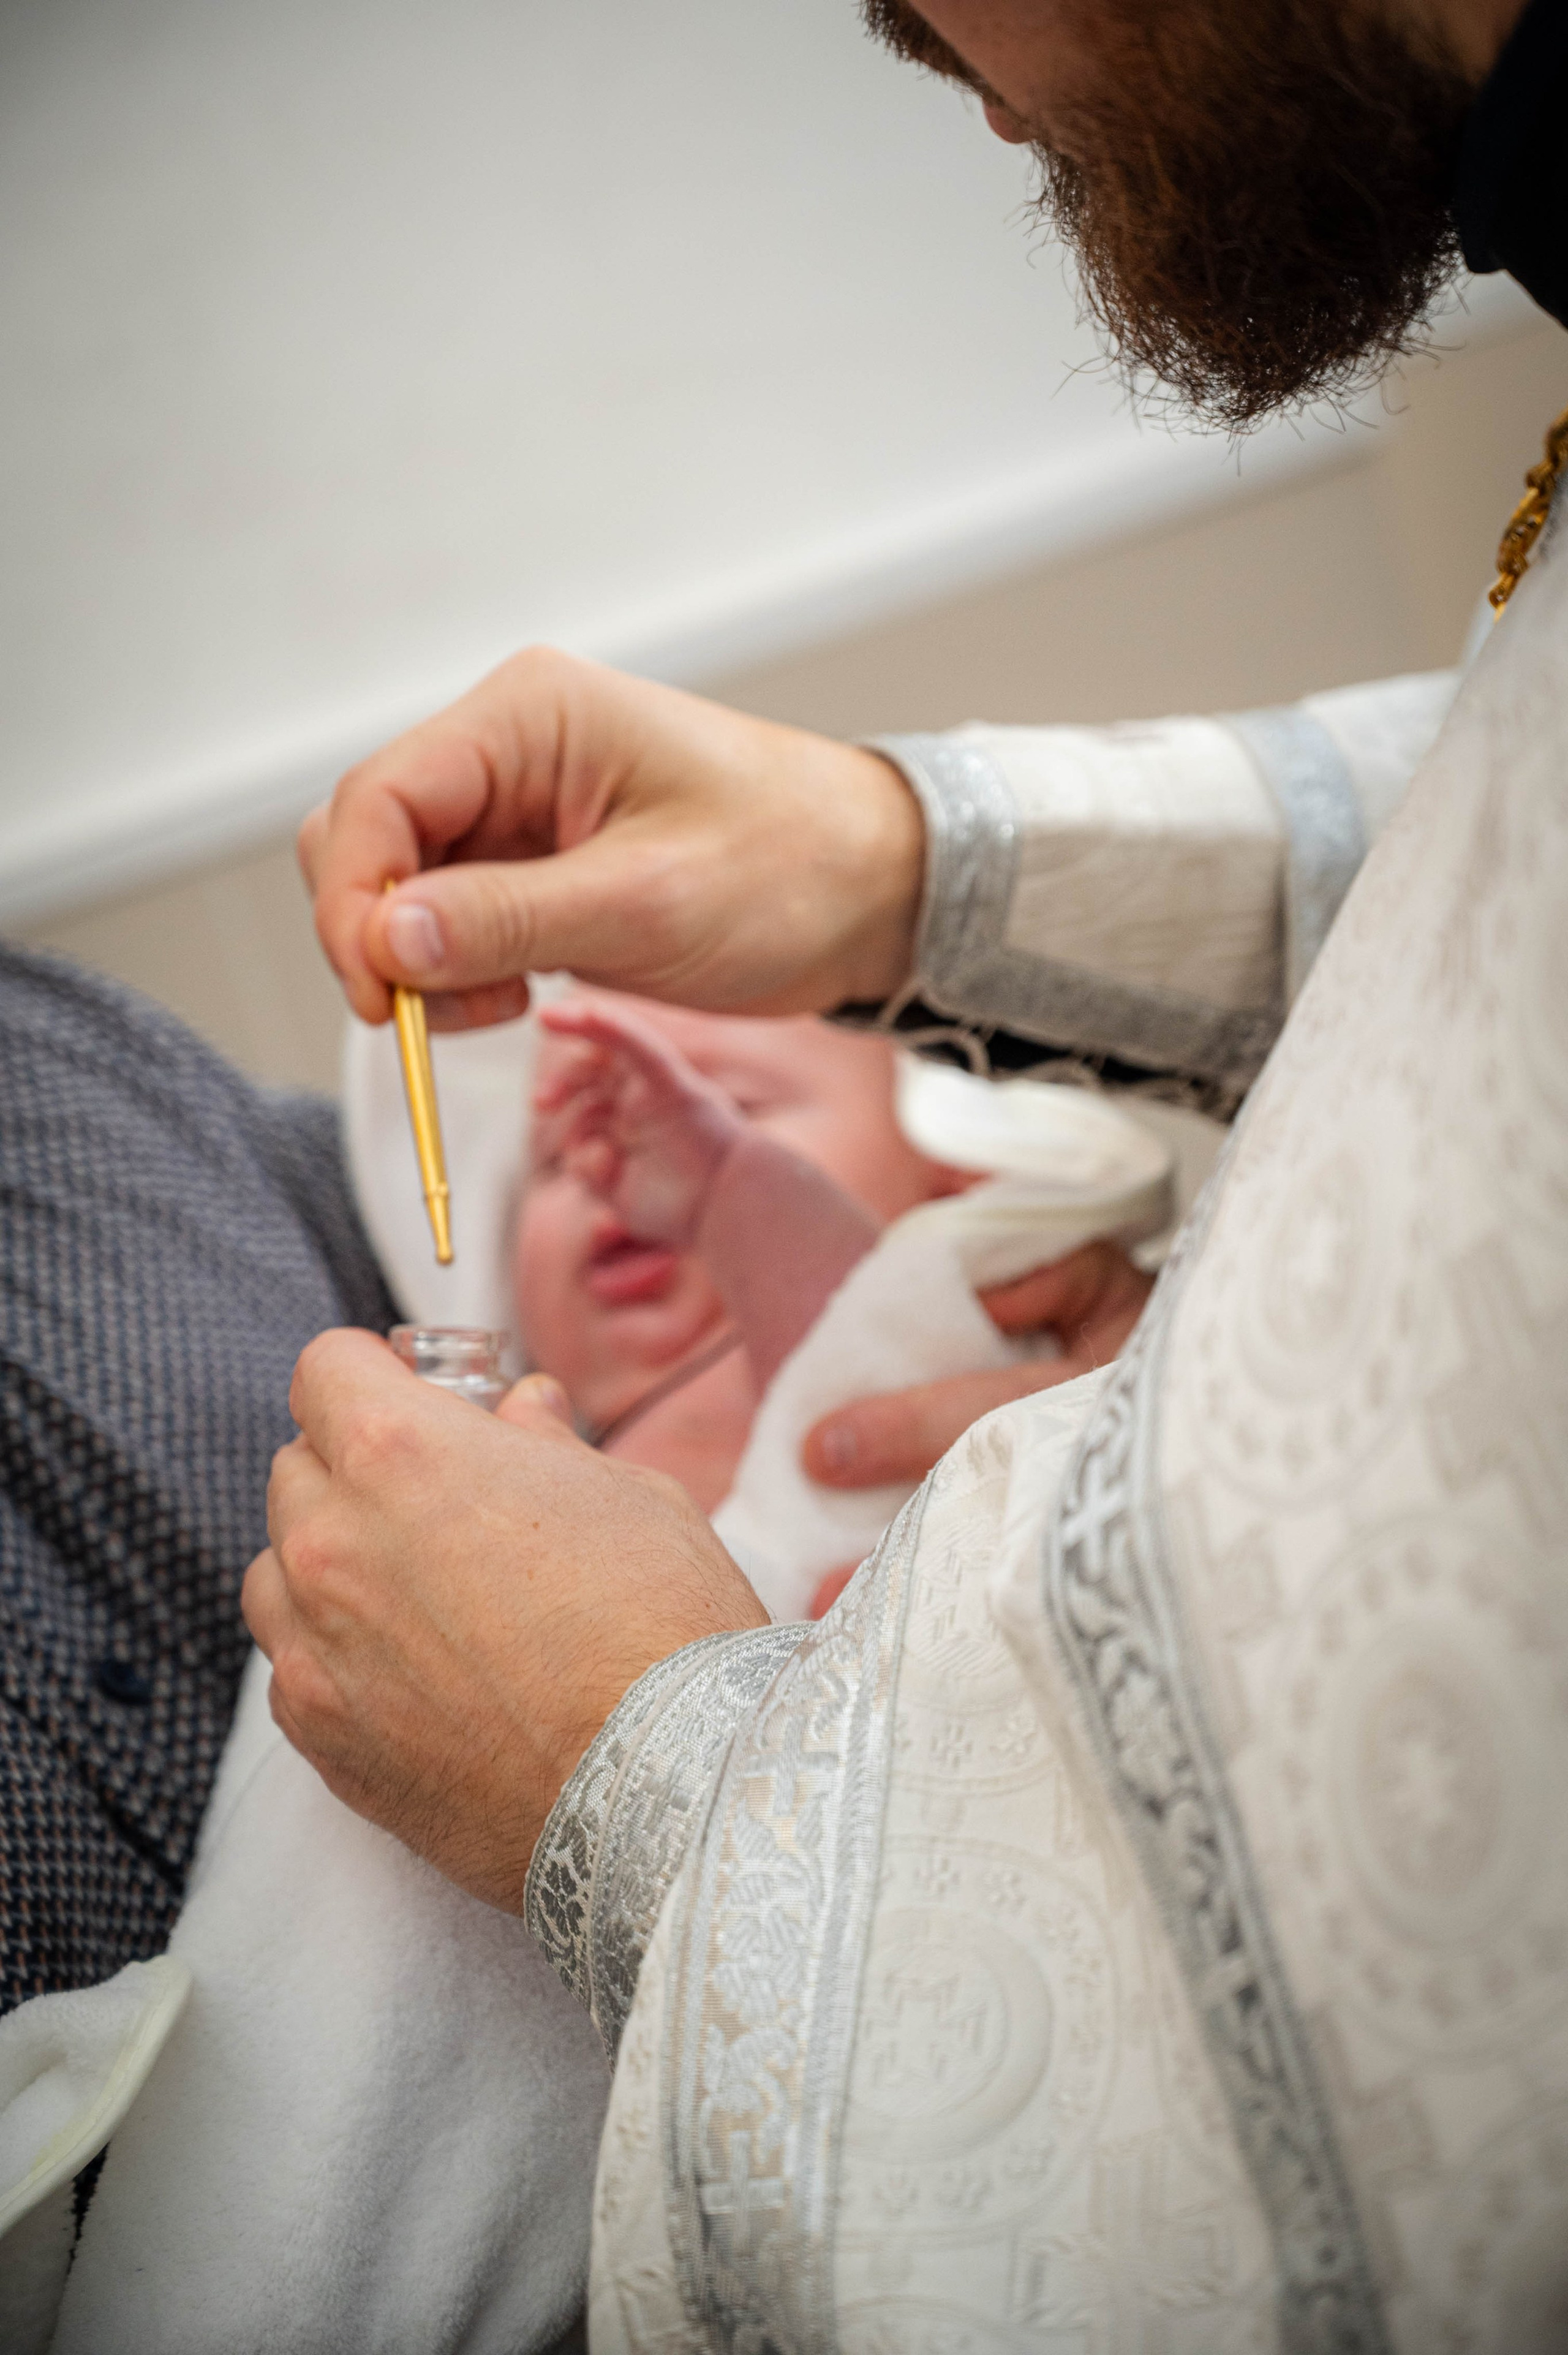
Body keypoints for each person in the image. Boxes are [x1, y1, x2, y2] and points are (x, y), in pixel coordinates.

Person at [2, 0, 1563, 2342]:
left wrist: (640, 1761)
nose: (894, 28)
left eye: (760, 1108)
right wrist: (899, 859)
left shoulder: (988, 1292)